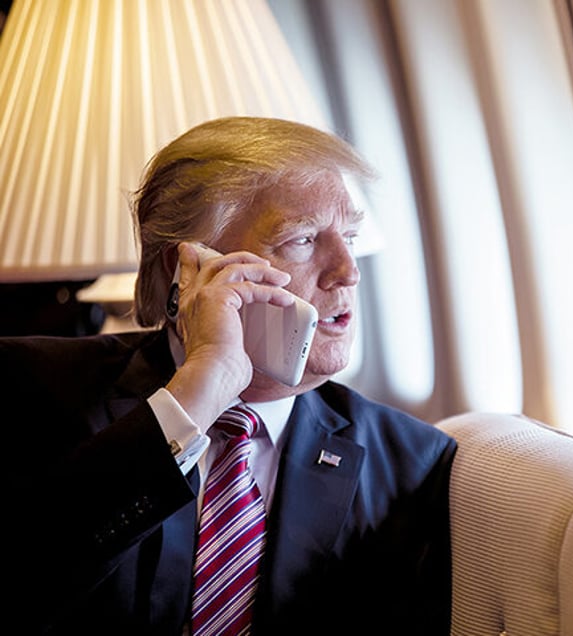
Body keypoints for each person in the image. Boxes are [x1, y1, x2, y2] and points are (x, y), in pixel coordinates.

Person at [7, 117, 456, 635]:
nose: (347, 271)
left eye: (350, 236)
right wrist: (201, 389)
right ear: (190, 269)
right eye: (303, 239)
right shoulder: (32, 385)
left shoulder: (411, 461)